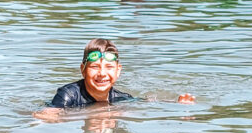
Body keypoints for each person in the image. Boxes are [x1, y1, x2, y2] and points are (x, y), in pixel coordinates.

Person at [36, 38, 196, 116]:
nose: (102, 74)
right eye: (95, 67)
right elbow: (50, 114)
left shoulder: (120, 98)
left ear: (118, 71)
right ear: (82, 69)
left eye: (109, 67)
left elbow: (146, 103)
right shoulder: (68, 94)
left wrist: (176, 104)